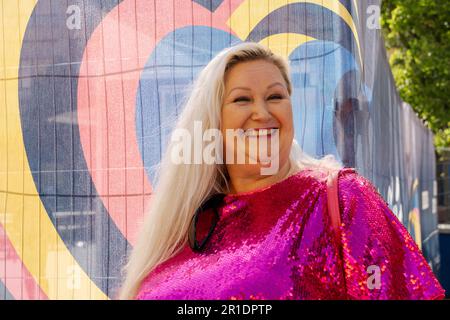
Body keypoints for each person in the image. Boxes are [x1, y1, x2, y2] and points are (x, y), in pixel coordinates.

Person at [118, 42, 445, 300]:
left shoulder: (340, 197)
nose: (262, 113)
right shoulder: (189, 223)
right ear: (213, 121)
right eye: (242, 100)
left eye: (276, 96)